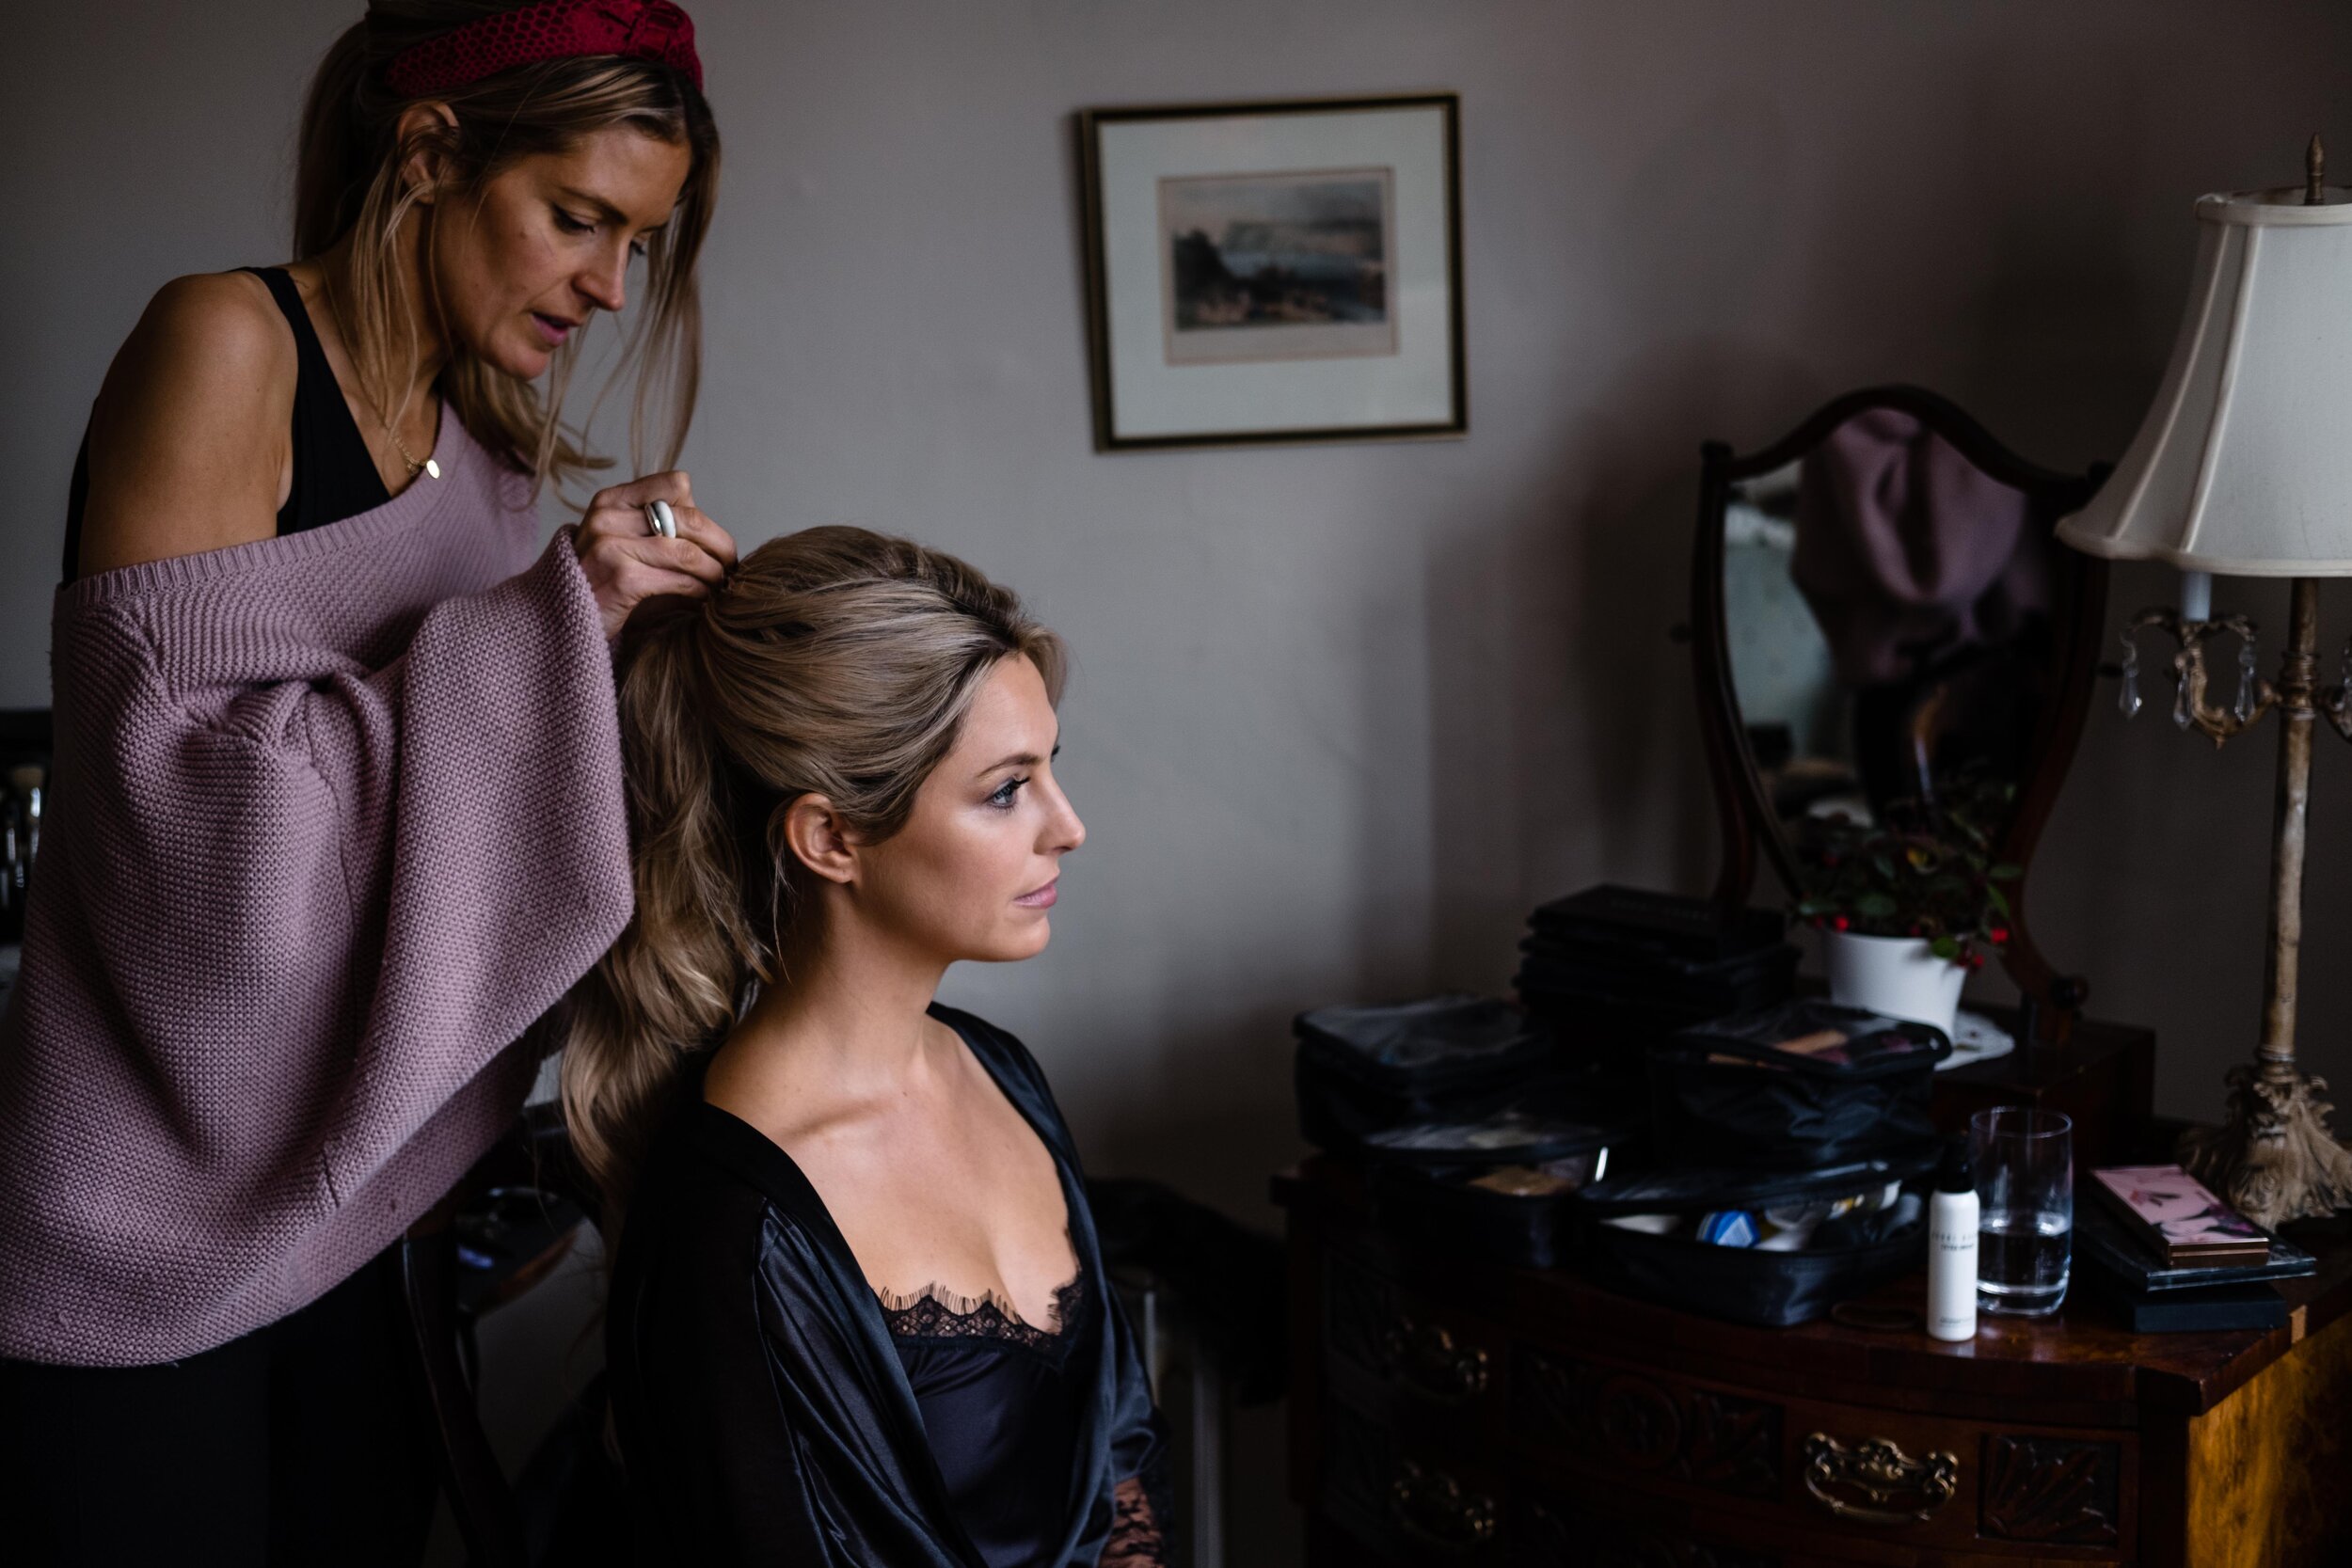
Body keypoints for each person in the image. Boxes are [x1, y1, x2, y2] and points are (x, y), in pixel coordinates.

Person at [0, 3, 728, 1562]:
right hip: (145, 1263)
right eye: (577, 218)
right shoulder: (225, 345)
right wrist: (558, 619)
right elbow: (189, 874)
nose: (606, 285)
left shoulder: (489, 449)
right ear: (429, 155)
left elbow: (479, 827)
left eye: (637, 246)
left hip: (374, 1222)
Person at [574, 527, 1168, 1566]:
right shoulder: (735, 1224)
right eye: (1004, 790)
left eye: (1048, 772)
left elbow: (1118, 1460)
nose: (1066, 826)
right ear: (830, 837)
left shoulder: (1000, 1070)